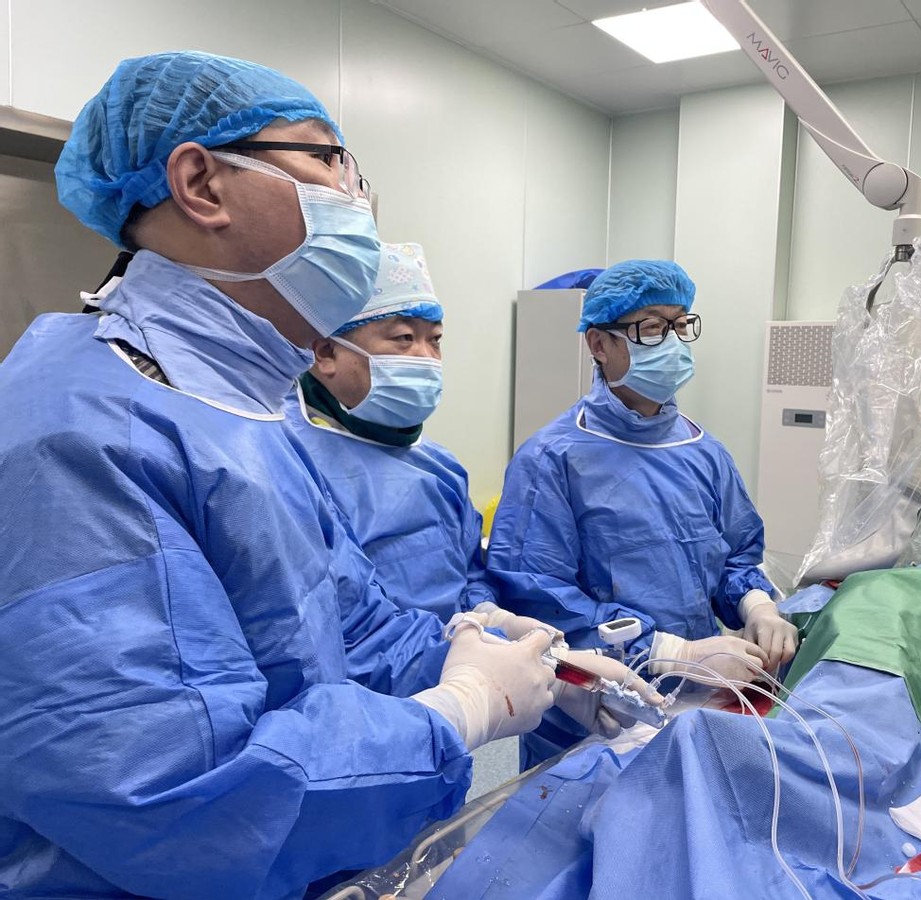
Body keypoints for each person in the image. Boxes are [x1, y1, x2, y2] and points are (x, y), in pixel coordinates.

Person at [0, 51, 628, 899]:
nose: (357, 199)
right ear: (202, 183)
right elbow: (162, 794)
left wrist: (497, 659)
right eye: (330, 160)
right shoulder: (78, 432)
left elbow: (349, 625)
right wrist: (456, 711)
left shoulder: (243, 413)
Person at [487, 259, 799, 768]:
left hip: (702, 697)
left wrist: (758, 606)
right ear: (598, 344)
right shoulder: (552, 459)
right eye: (652, 328)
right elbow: (536, 598)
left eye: (681, 325)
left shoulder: (704, 452)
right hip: (596, 710)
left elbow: (735, 556)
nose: (672, 342)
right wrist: (669, 652)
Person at [284, 242, 533, 635]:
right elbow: (326, 626)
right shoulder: (288, 460)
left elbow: (469, 576)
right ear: (326, 352)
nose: (426, 356)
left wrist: (489, 617)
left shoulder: (440, 466)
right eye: (403, 337)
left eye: (435, 339)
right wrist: (450, 659)